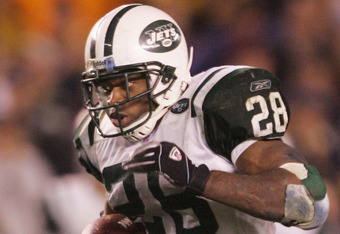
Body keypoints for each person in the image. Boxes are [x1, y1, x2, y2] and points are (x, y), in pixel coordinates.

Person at [74, 4, 329, 233]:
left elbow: (310, 202)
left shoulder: (215, 104)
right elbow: (131, 210)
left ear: (165, 74)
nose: (113, 100)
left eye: (127, 84)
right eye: (105, 87)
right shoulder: (95, 137)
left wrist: (198, 178)